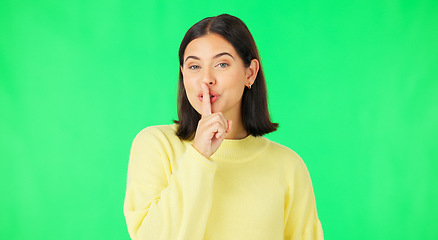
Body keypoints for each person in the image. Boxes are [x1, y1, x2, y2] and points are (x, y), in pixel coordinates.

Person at [123, 14, 323, 240]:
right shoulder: (155, 145)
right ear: (183, 74)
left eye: (221, 64)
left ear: (250, 73)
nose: (206, 79)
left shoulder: (288, 165)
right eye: (194, 66)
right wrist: (199, 155)